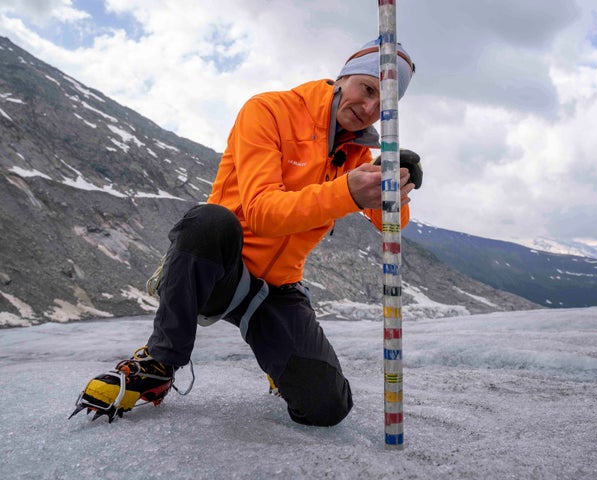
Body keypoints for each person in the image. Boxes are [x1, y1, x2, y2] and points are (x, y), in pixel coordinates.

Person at [70, 38, 420, 427]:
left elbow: (391, 222)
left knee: (326, 407)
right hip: (223, 270)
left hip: (277, 290)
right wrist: (346, 192)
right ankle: (160, 362)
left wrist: (397, 185)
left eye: (384, 105)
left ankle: (278, 361)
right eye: (368, 89)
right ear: (344, 78)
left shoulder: (355, 154)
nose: (370, 108)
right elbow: (261, 213)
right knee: (209, 220)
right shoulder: (269, 110)